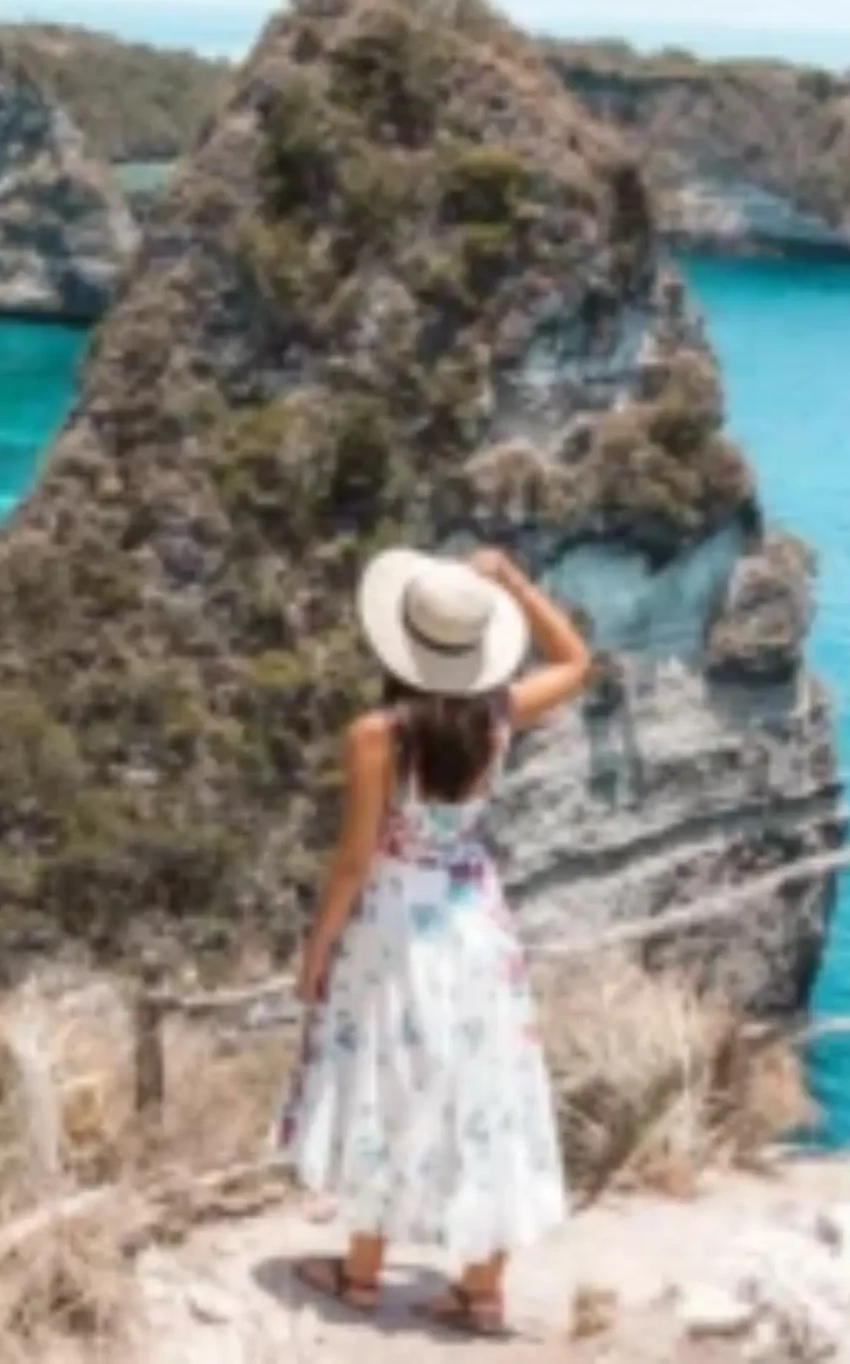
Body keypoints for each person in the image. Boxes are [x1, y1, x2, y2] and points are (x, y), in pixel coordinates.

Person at [276, 544, 591, 1335]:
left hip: (394, 923)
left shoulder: (376, 735)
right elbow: (576, 661)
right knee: (485, 1085)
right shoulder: (498, 716)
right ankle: (480, 1292)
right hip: (475, 917)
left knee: (386, 1076)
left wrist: (316, 952)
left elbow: (354, 859)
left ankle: (361, 1273)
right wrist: (514, 581)